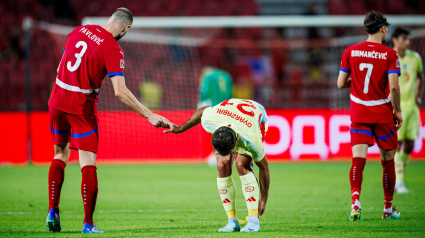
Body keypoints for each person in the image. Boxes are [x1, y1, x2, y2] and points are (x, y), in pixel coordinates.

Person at [46, 8, 172, 233]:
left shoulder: (78, 31)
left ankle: (52, 210)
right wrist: (149, 115)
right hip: (81, 106)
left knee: (60, 153)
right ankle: (88, 224)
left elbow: (59, 68)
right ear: (126, 28)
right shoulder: (113, 48)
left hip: (56, 98)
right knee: (87, 162)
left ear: (109, 19)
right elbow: (120, 92)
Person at [164, 98, 270, 233]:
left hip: (255, 116)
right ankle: (232, 222)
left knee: (242, 164)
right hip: (227, 115)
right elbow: (204, 110)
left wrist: (263, 199)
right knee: (221, 165)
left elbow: (264, 167)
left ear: (236, 142)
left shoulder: (251, 139)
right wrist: (180, 128)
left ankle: (253, 221)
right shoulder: (209, 120)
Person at [337, 11, 402, 221]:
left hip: (359, 112)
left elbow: (340, 83)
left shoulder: (351, 51)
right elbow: (393, 87)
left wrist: (355, 82)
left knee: (358, 161)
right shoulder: (390, 54)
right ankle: (388, 208)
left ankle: (355, 201)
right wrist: (397, 110)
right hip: (383, 114)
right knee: (388, 161)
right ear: (383, 28)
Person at [391, 27, 424, 194]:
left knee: (410, 145)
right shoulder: (389, 57)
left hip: (412, 107)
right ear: (395, 39)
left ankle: (397, 173)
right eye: (404, 38)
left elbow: (420, 77)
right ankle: (399, 182)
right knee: (397, 145)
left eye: (408, 39)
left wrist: (418, 95)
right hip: (397, 107)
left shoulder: (415, 58)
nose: (408, 42)